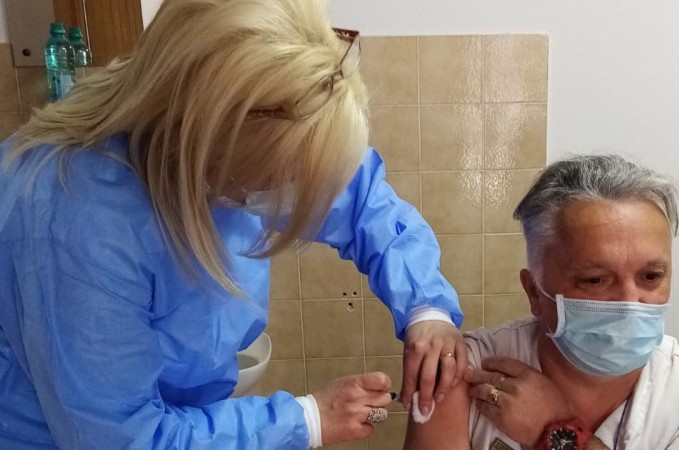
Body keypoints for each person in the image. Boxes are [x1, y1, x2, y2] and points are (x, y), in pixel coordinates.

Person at [0, 0, 468, 448]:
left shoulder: (256, 125)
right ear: (207, 142)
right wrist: (306, 420)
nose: (290, 196)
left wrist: (426, 309)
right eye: (277, 179)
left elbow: (362, 201)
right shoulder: (79, 223)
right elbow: (121, 438)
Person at [404, 154, 679, 450]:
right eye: (595, 280)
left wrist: (556, 431)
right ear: (534, 292)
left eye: (650, 276)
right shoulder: (461, 370)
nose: (630, 302)